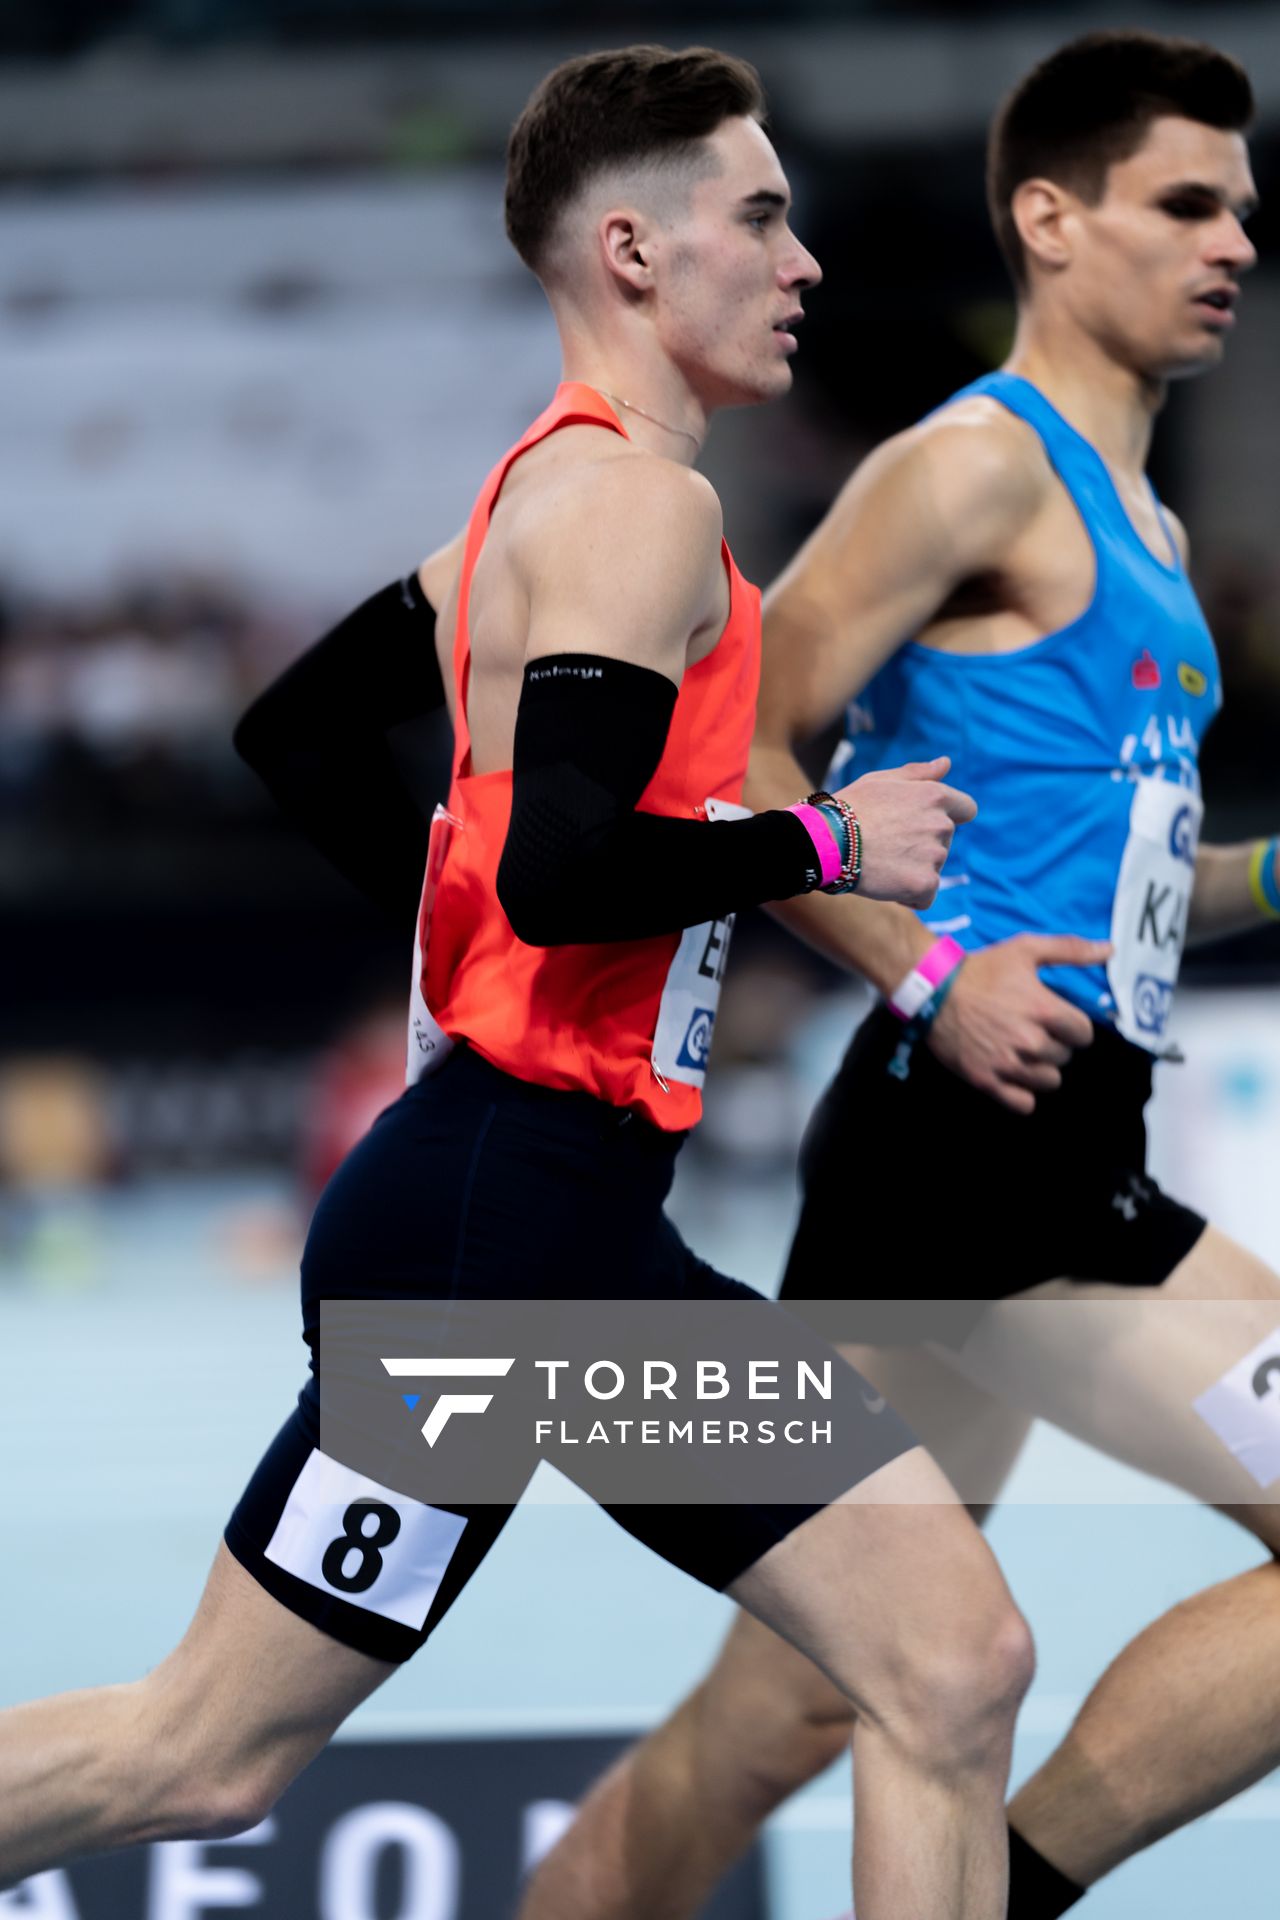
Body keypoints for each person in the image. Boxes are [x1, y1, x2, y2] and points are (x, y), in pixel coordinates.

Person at [0, 47, 1033, 1920]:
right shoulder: (635, 513)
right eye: (763, 217)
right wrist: (827, 846)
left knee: (948, 1662)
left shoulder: (521, 510)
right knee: (203, 1750)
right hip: (511, 1241)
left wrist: (457, 921)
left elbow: (300, 733)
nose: (805, 262)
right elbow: (562, 878)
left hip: (532, 1231)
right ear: (633, 252)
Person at [516, 30, 1280, 1920]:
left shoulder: (1153, 535)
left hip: (1033, 1149)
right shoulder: (967, 470)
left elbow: (1137, 895)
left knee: (780, 1710)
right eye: (1184, 204)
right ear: (1050, 218)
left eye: (1246, 212)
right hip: (976, 1154)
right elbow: (750, 758)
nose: (1232, 244)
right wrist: (933, 972)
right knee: (829, 1696)